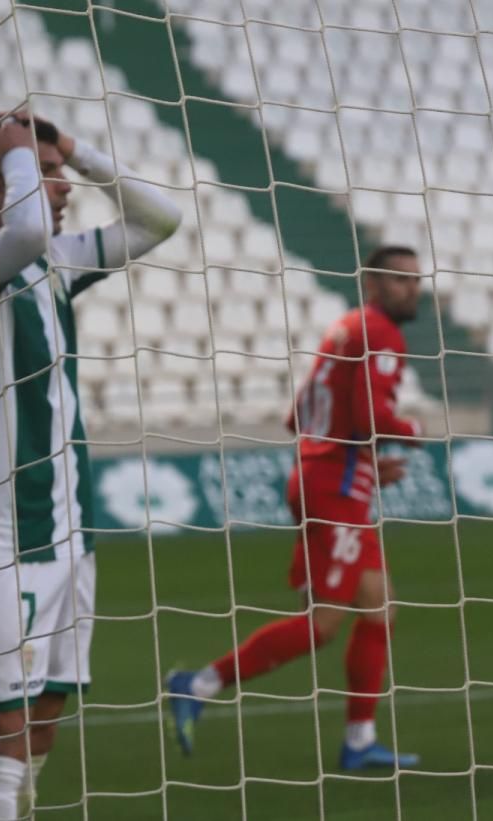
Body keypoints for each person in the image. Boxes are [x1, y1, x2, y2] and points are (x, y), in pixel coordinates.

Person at [0, 108, 181, 820]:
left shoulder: (55, 268)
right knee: (2, 746)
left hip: (69, 535)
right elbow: (28, 226)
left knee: (31, 741)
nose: (64, 187)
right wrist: (13, 154)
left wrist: (73, 149)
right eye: (47, 175)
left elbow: (162, 221)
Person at [166, 246, 424, 770]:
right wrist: (412, 432)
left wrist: (361, 461)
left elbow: (298, 415)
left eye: (416, 280)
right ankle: (199, 684)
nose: (411, 289)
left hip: (331, 478)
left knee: (380, 608)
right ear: (372, 284)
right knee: (322, 624)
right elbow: (372, 414)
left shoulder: (344, 328)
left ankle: (359, 741)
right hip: (335, 489)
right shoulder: (381, 333)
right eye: (399, 280)